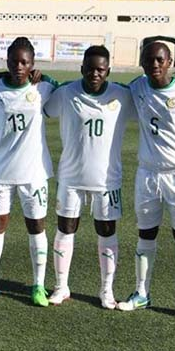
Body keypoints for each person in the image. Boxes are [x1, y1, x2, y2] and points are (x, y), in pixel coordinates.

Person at [117, 42, 175, 323]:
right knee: (146, 234)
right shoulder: (137, 87)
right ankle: (141, 293)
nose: (154, 64)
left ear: (169, 61)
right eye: (148, 60)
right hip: (147, 174)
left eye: (159, 60)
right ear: (142, 63)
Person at [43, 45, 136, 309]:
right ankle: (61, 286)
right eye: (90, 68)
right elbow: (45, 109)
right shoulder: (66, 93)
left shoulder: (122, 95)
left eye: (100, 69)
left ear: (108, 71)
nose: (95, 73)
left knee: (106, 231)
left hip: (107, 180)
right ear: (81, 68)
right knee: (65, 228)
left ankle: (107, 290)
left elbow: (147, 95)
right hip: (71, 178)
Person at [0, 37, 57, 307]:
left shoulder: (43, 87)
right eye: (14, 61)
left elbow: (65, 89)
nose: (19, 66)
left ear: (33, 64)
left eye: (25, 62)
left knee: (36, 227)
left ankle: (38, 285)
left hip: (33, 172)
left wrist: (47, 77)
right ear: (7, 61)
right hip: (1, 171)